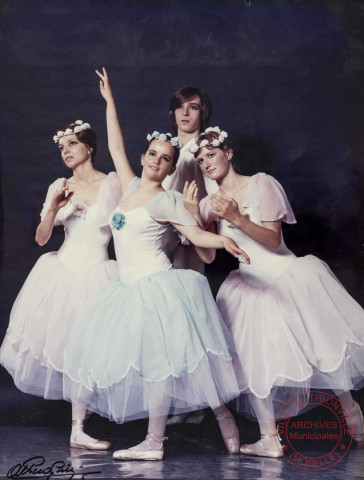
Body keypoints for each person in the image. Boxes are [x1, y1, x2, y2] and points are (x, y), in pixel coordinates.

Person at [63, 68, 250, 461]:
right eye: (152, 154)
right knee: (148, 360)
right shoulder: (129, 185)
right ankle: (211, 420)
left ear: (170, 169)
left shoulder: (168, 200)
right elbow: (115, 146)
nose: (157, 162)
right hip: (126, 288)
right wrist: (109, 100)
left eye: (165, 160)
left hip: (156, 286)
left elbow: (197, 236)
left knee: (169, 361)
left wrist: (225, 239)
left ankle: (160, 440)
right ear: (144, 157)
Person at [183, 126, 364, 458]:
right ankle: (269, 437)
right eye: (201, 159)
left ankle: (349, 407)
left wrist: (236, 216)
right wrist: (196, 216)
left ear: (228, 153)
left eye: (212, 155)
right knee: (250, 359)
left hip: (284, 276)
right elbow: (208, 256)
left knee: (318, 343)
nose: (207, 163)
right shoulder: (211, 203)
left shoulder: (260, 184)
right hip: (248, 286)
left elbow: (273, 241)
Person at [0, 120, 122, 450]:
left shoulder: (111, 183)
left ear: (89, 147)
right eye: (62, 147)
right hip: (63, 272)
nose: (66, 151)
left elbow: (123, 226)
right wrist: (55, 206)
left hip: (98, 272)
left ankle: (80, 428)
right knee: (70, 347)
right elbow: (41, 238)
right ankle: (77, 429)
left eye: (71, 144)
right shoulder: (60, 185)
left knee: (91, 350)